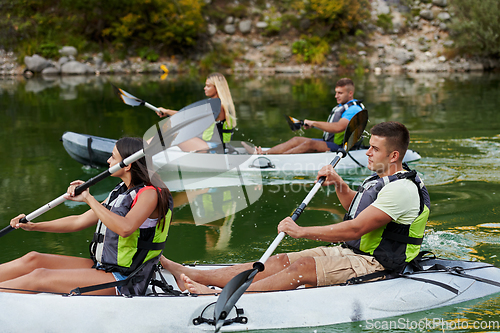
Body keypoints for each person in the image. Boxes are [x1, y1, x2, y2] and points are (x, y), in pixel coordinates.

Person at [160, 121, 430, 294]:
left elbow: (356, 227)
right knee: (279, 261)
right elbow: (356, 212)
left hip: (377, 263)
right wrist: (339, 185)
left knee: (300, 267)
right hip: (353, 250)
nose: (368, 152)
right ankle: (192, 272)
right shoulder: (380, 178)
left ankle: (221, 294)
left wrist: (301, 231)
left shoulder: (401, 189)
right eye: (368, 147)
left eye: (374, 149)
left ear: (394, 155)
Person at [0, 137, 173, 296]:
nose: (108, 161)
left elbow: (125, 228)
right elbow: (78, 221)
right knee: (33, 259)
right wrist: (34, 225)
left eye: (113, 157)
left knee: (40, 277)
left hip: (126, 278)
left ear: (127, 165)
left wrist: (89, 198)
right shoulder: (121, 191)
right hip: (105, 268)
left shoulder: (149, 194)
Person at [253, 77, 364, 155]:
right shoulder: (342, 106)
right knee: (296, 140)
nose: (336, 96)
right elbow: (333, 127)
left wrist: (314, 122)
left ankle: (274, 159)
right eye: (336, 92)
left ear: (350, 93)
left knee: (309, 144)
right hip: (332, 143)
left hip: (343, 148)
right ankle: (264, 153)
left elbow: (338, 127)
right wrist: (312, 126)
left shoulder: (354, 109)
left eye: (340, 93)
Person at [156, 72, 237, 152]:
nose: (204, 88)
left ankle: (146, 153)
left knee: (173, 133)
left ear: (217, 88)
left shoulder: (217, 106)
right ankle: (146, 150)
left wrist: (167, 111)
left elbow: (188, 115)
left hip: (212, 148)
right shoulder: (224, 104)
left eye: (208, 86)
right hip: (216, 146)